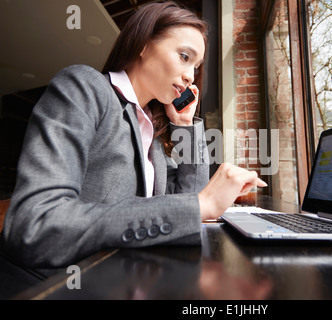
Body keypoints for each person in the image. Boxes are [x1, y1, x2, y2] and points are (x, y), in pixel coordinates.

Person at [1, 1, 266, 269]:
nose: (190, 77)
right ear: (143, 44)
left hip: (128, 279)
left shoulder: (151, 134)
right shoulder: (84, 88)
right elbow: (35, 225)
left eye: (196, 68)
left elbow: (190, 202)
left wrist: (185, 126)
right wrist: (201, 204)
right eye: (185, 57)